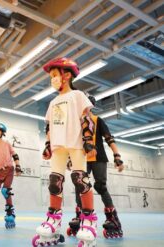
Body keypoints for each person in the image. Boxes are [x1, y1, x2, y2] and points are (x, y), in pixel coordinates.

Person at [32, 57, 96, 247]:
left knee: (80, 179)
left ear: (66, 75)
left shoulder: (77, 96)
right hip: (58, 145)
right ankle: (53, 220)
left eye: (54, 75)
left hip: (76, 143)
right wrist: (47, 144)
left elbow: (87, 119)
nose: (52, 79)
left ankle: (89, 221)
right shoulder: (53, 102)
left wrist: (88, 141)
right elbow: (49, 126)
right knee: (54, 181)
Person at [67, 95, 124, 239]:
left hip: (98, 158)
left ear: (91, 106)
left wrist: (117, 156)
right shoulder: (78, 123)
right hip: (82, 159)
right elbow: (75, 143)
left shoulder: (98, 120)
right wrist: (70, 158)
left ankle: (113, 219)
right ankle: (81, 216)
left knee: (100, 186)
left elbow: (109, 138)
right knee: (80, 186)